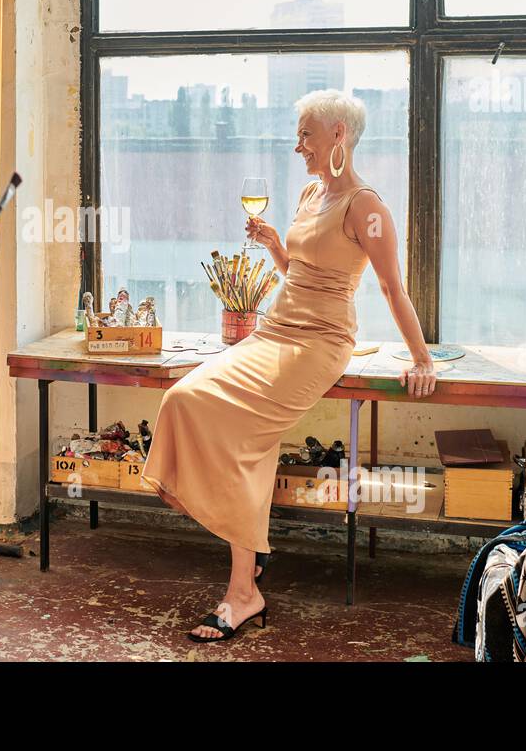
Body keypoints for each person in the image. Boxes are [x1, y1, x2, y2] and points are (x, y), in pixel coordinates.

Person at [140, 88, 437, 643]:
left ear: (338, 137)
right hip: (274, 329)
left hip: (319, 341)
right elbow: (301, 268)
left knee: (240, 437)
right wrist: (278, 246)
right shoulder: (308, 192)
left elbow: (393, 288)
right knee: (183, 398)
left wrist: (422, 358)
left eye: (306, 134)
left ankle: (243, 590)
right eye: (299, 134)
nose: (297, 144)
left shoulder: (367, 207)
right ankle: (247, 570)